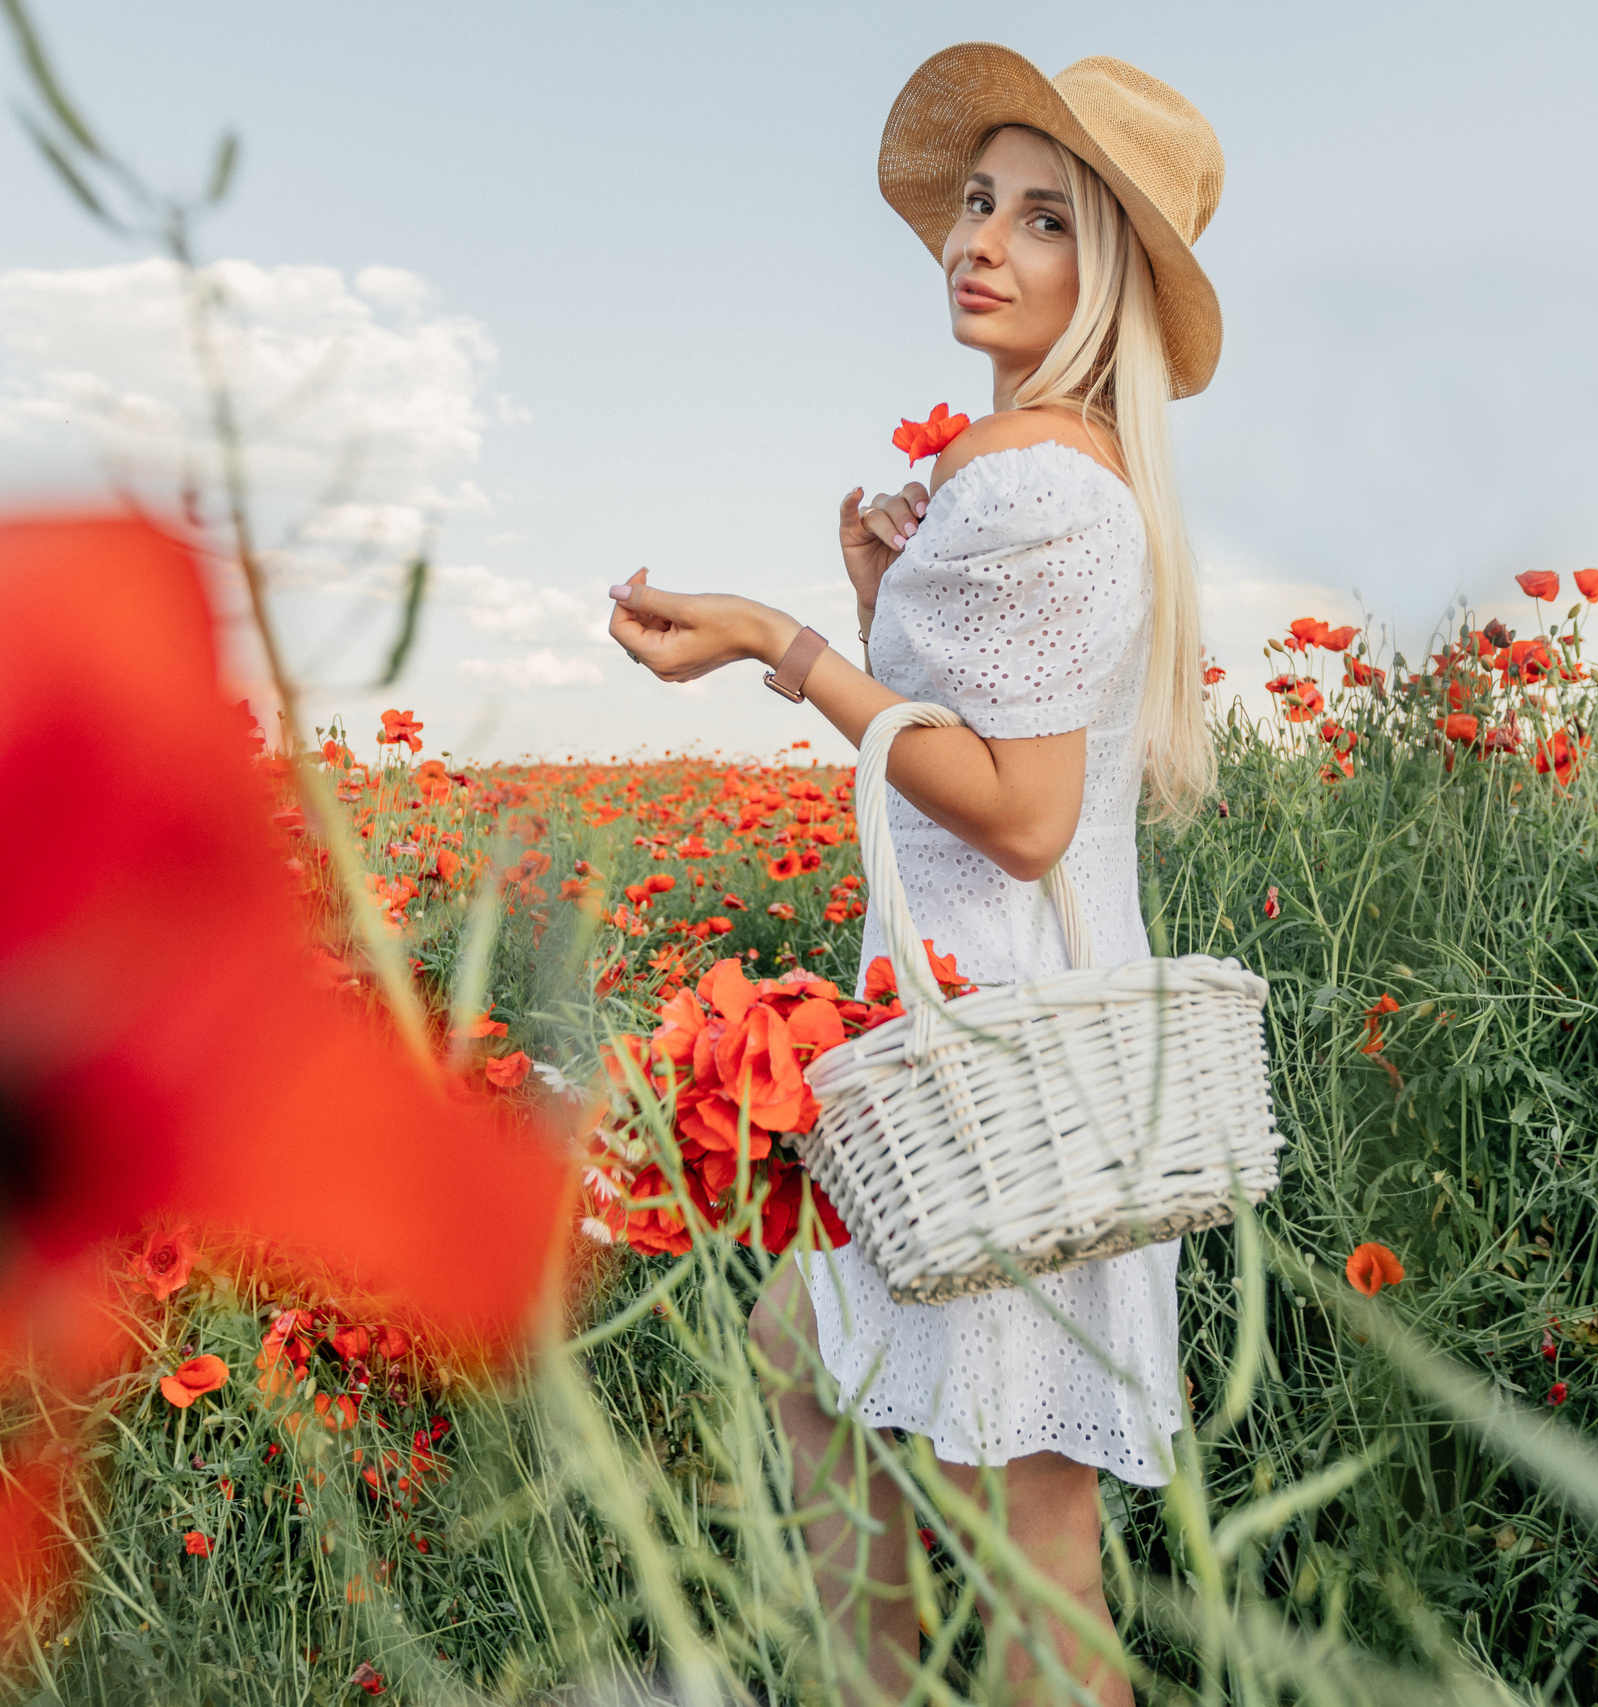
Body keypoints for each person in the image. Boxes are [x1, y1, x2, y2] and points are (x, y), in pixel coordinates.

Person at [603, 44, 1226, 1707]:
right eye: (977, 202)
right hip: (968, 1037)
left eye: (1044, 221)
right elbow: (977, 755)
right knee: (820, 1394)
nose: (982, 239)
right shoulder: (1044, 469)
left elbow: (1017, 815)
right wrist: (879, 601)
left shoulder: (1037, 477)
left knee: (1029, 1537)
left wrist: (790, 644)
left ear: (1110, 284)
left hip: (991, 1064)